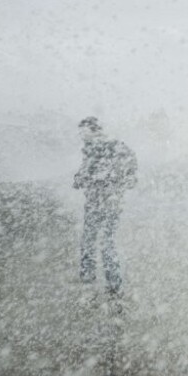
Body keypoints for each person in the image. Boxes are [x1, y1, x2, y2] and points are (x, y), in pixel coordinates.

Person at [73, 116, 137, 295]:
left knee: (95, 239)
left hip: (102, 201)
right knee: (102, 239)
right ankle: (109, 282)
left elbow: (95, 172)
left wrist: (87, 180)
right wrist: (80, 179)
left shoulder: (103, 147)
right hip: (108, 201)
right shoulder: (107, 147)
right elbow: (129, 172)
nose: (81, 135)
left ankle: (93, 279)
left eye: (84, 131)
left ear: (94, 130)